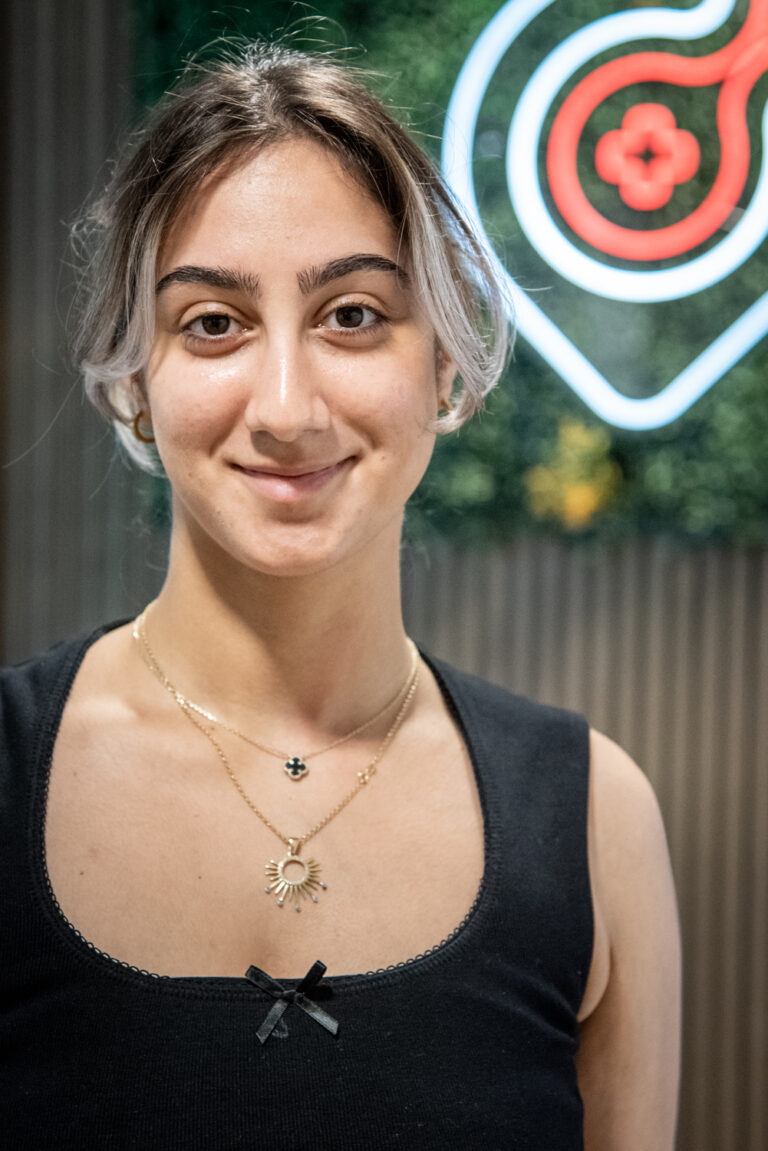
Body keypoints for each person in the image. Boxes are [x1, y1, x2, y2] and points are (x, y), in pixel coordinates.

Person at [0, 40, 680, 1149]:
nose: (285, 406)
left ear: (446, 364)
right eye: (212, 321)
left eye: (353, 314)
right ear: (133, 379)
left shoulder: (598, 817)